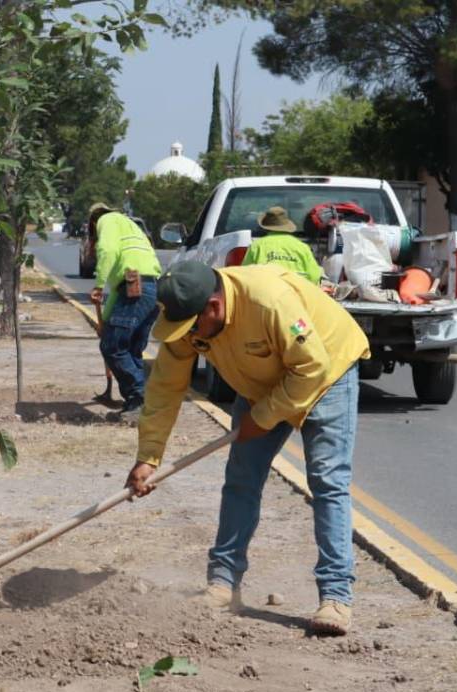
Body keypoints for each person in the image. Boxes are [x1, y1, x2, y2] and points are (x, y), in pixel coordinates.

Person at [125, 259, 369, 635]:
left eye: (191, 328)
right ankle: (223, 584)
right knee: (241, 479)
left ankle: (336, 597)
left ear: (214, 307)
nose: (188, 337)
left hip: (327, 373)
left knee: (326, 482)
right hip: (263, 384)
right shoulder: (190, 322)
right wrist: (148, 456)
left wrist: (265, 417)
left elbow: (312, 367)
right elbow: (164, 388)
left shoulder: (268, 301)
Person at [87, 202, 162, 418]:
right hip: (151, 288)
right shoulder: (129, 225)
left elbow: (106, 250)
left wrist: (98, 285)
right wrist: (107, 322)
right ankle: (137, 406)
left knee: (112, 347)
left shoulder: (106, 220)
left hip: (135, 287)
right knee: (131, 349)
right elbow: (119, 292)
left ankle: (138, 399)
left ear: (94, 221)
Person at [241, 206, 322, 284]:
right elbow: (314, 276)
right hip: (295, 294)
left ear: (265, 227)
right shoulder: (302, 247)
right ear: (287, 226)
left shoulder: (257, 246)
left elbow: (245, 274)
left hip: (266, 294)